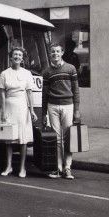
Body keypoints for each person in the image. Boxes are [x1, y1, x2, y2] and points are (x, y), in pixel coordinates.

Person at [42, 43, 81, 180]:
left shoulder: (71, 69)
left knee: (68, 138)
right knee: (57, 139)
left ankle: (67, 168)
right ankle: (58, 168)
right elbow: (44, 95)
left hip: (68, 106)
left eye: (57, 51)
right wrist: (44, 114)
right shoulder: (47, 72)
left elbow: (76, 91)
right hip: (52, 106)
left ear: (62, 52)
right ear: (50, 54)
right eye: (53, 52)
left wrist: (77, 110)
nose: (55, 54)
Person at [0, 47, 38, 178]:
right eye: (15, 54)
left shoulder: (27, 73)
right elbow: (3, 94)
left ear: (23, 58)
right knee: (9, 139)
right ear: (11, 57)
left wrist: (32, 110)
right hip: (9, 107)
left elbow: (29, 93)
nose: (17, 57)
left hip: (22, 107)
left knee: (23, 139)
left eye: (20, 55)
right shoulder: (4, 73)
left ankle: (22, 168)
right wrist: (3, 111)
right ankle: (8, 166)